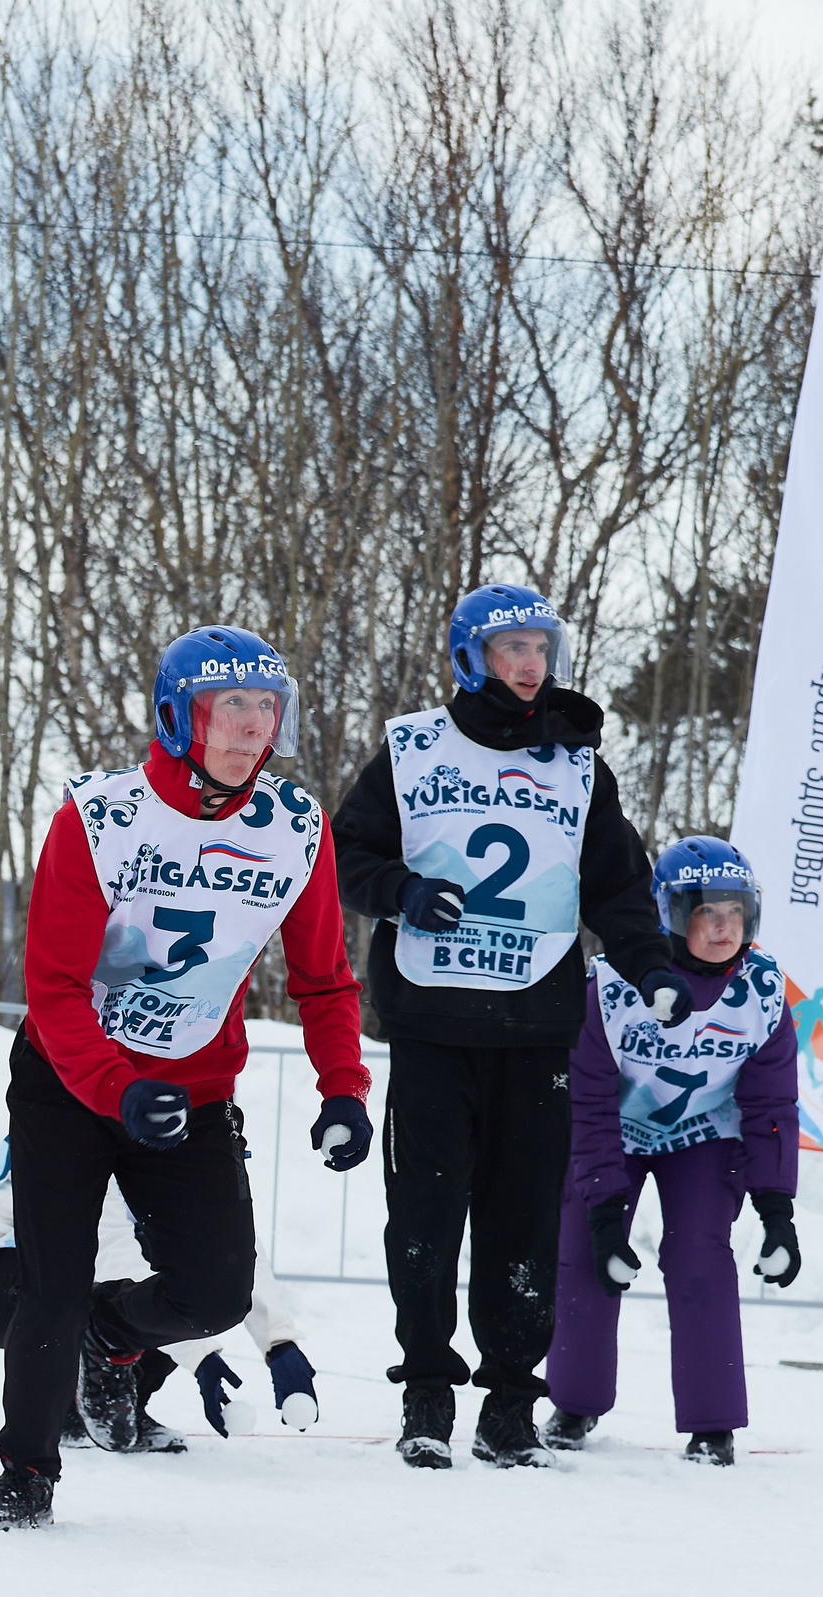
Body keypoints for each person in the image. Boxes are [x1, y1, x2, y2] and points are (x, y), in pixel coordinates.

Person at [0, 626, 373, 1529]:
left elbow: (326, 979)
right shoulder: (101, 817)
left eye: (266, 707)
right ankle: (25, 1474)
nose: (252, 726)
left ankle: (109, 1338)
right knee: (53, 1284)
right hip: (68, 1079)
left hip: (195, 1090)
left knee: (215, 1290)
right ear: (180, 718)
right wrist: (117, 1087)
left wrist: (343, 1088)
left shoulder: (295, 828)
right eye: (231, 706)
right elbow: (54, 988)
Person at [334, 585, 689, 1468]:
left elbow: (616, 882)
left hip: (535, 1027)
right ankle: (426, 1389)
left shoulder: (578, 765)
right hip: (433, 1020)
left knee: (522, 1222)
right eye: (510, 648)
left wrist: (651, 965)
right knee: (424, 1217)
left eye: (540, 647)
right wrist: (402, 891)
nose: (530, 664)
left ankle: (508, 1402)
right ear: (471, 658)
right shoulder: (413, 747)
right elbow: (346, 850)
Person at [544, 837, 801, 1464]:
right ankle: (574, 1403)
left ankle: (714, 1424)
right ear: (670, 913)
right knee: (586, 1256)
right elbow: (588, 1101)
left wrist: (777, 1212)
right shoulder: (612, 986)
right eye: (706, 913)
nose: (723, 929)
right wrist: (605, 1211)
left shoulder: (763, 992)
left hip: (703, 1135)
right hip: (615, 1132)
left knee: (700, 1258)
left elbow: (771, 1105)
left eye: (736, 913)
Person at [0, 1137, 325, 1451]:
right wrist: (202, 1356)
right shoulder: (106, 1126)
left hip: (60, 1259)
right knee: (156, 1300)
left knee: (187, 1280)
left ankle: (112, 1406)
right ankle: (68, 1411)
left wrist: (280, 1344)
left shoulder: (193, 1141)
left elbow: (231, 1251)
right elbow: (114, 1257)